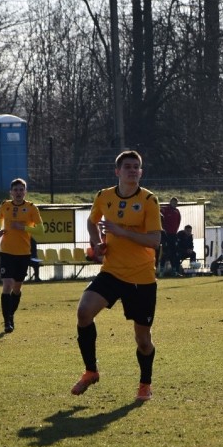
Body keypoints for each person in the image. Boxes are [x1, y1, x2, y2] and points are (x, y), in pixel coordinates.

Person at [71, 150, 162, 401]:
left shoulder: (149, 200)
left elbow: (155, 241)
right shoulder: (104, 196)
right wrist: (97, 241)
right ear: (117, 172)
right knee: (83, 312)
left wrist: (121, 232)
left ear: (141, 172)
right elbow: (92, 222)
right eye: (128, 167)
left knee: (143, 340)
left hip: (142, 278)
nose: (132, 170)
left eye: (136, 167)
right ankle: (91, 371)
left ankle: (145, 385)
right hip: (111, 272)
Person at [0, 178, 43, 333]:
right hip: (6, 251)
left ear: (25, 192)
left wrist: (23, 227)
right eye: (15, 190)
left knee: (16, 288)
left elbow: (40, 230)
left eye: (21, 190)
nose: (18, 192)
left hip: (23, 253)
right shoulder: (5, 205)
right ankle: (7, 321)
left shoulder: (31, 208)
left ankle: (10, 315)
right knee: (7, 284)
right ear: (11, 192)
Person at [159, 197, 182, 276]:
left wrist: (175, 232)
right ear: (170, 202)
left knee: (173, 253)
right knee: (165, 252)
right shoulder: (164, 210)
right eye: (173, 202)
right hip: (165, 234)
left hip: (173, 235)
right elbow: (159, 218)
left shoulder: (177, 211)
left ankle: (174, 270)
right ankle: (161, 270)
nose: (174, 204)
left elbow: (178, 222)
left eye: (175, 203)